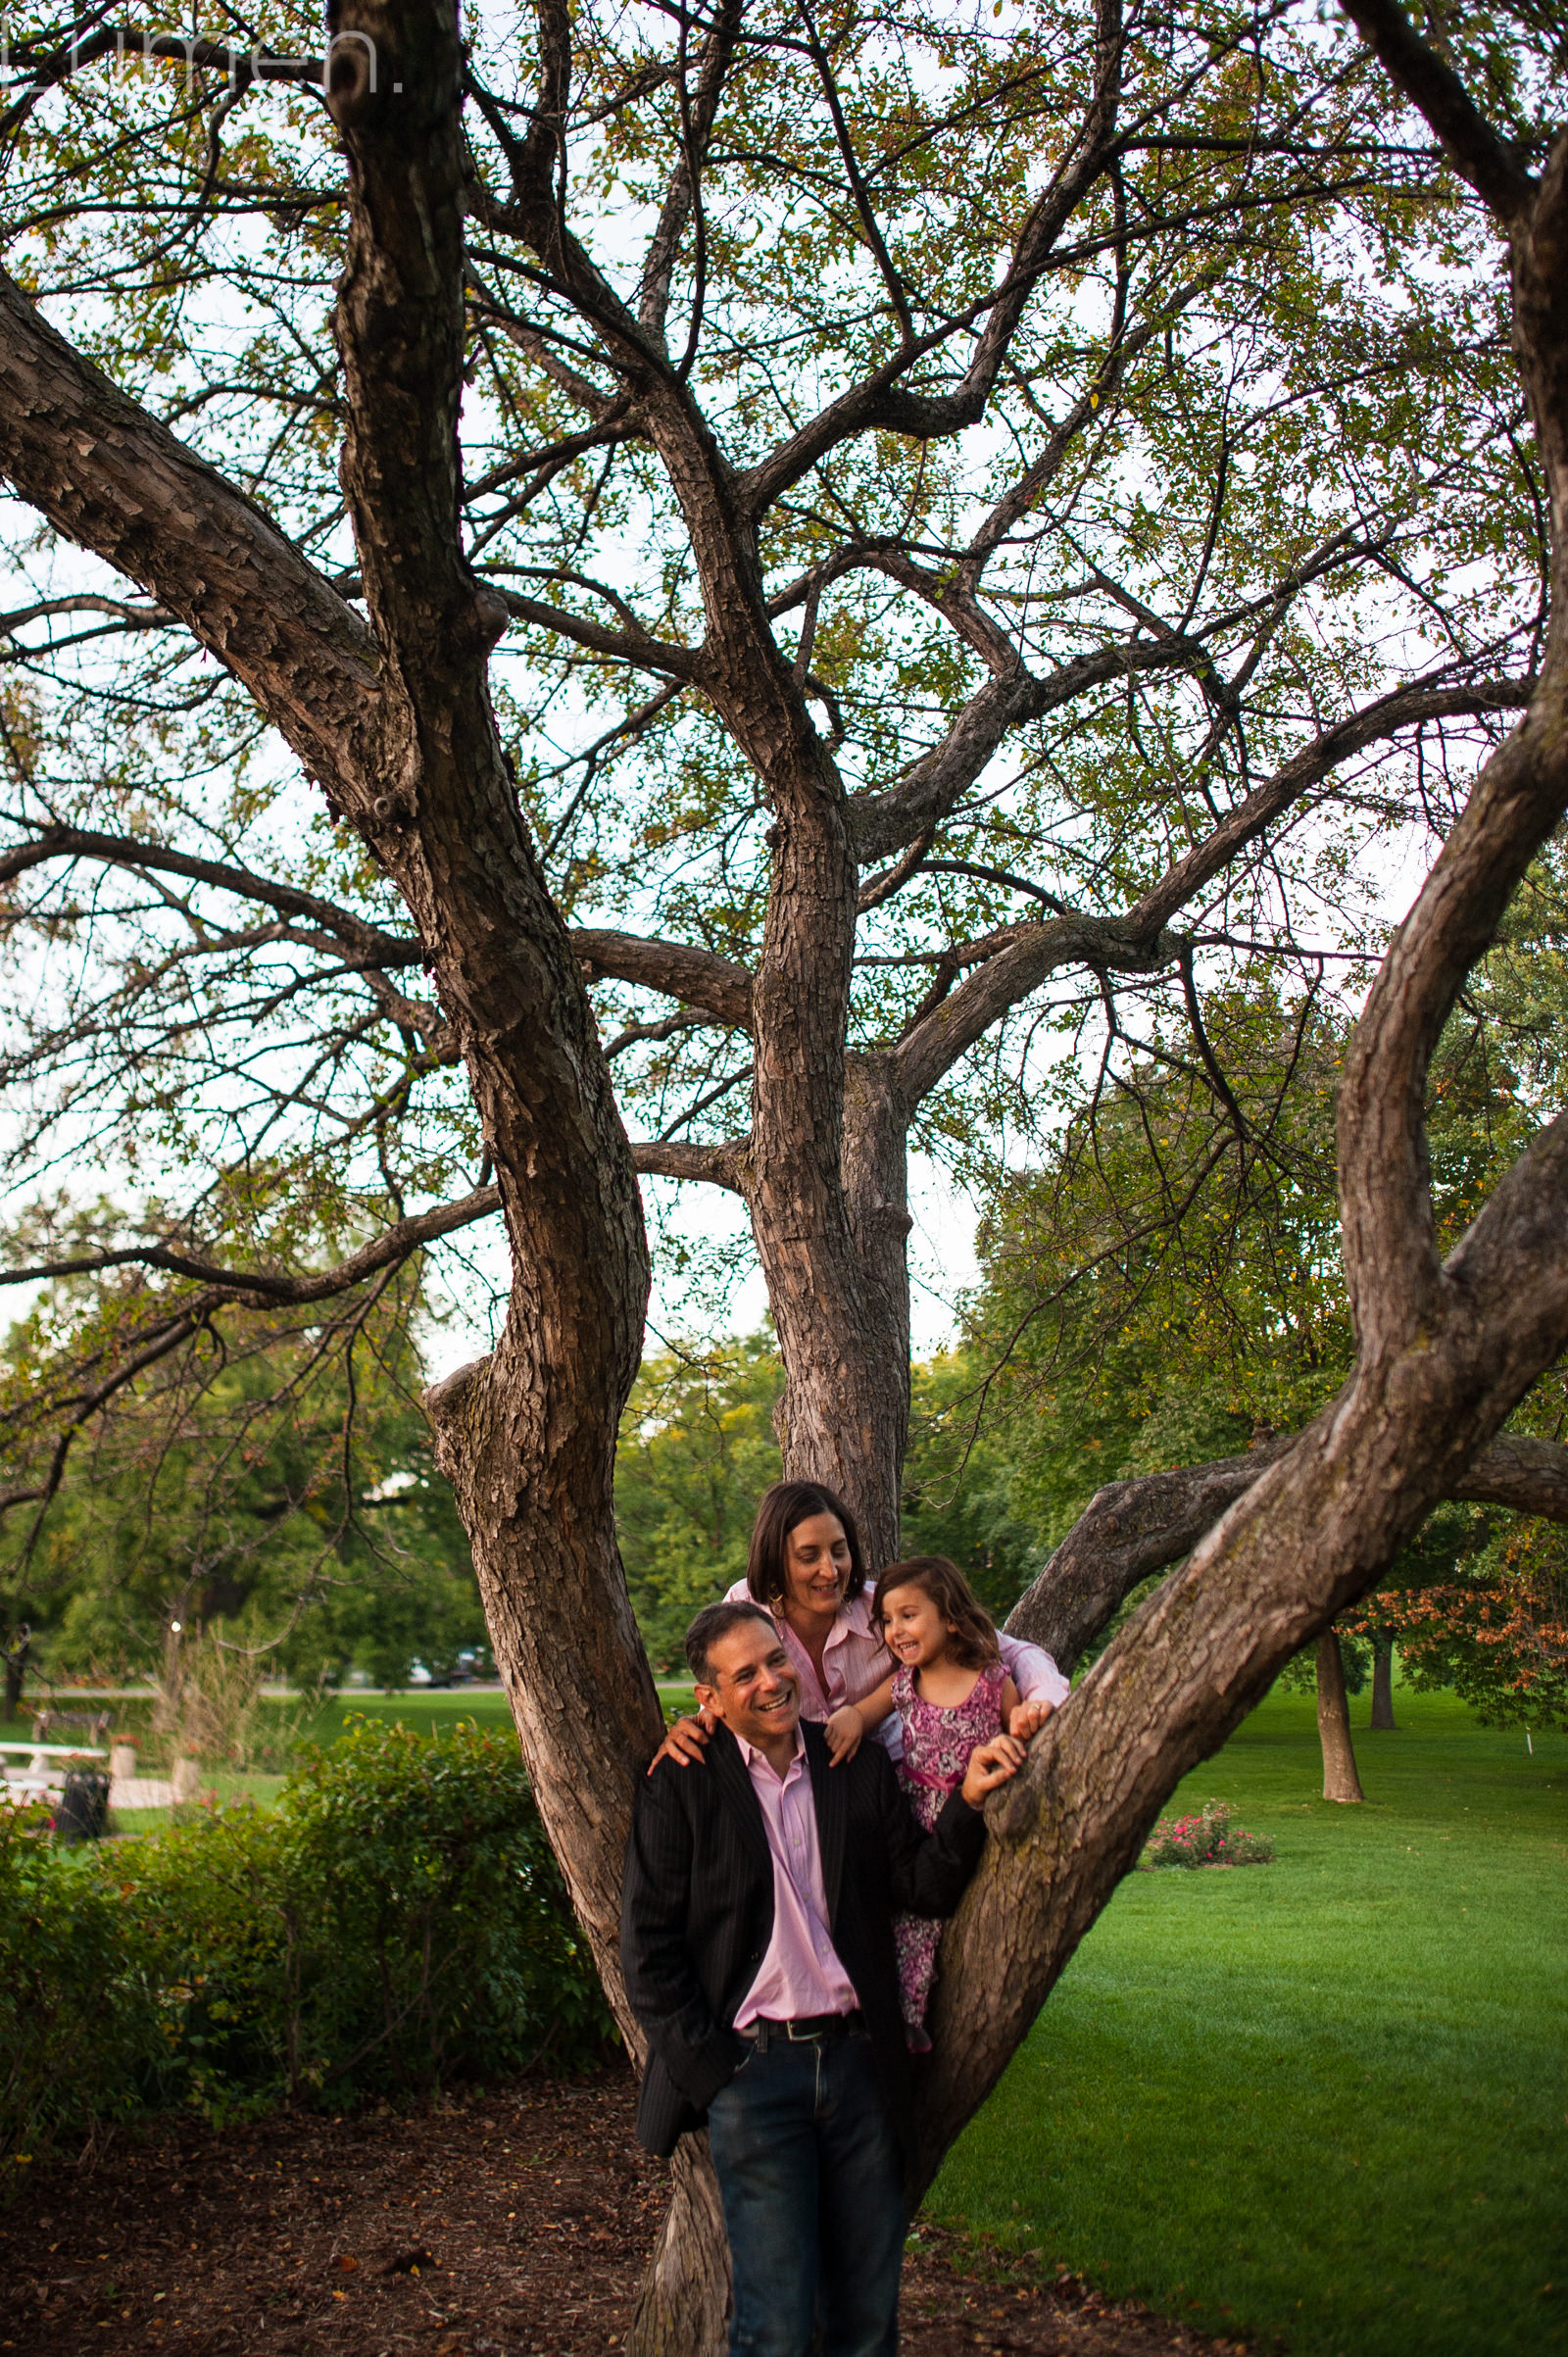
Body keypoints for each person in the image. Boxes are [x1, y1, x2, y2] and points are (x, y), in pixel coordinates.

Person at [621, 1598, 1025, 2357]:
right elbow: (646, 1950)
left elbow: (923, 1884)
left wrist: (969, 1798)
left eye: (777, 1660)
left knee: (866, 2324)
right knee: (774, 2326)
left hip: (860, 2069)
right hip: (754, 2078)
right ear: (707, 1698)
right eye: (745, 1675)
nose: (772, 1681)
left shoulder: (853, 1763)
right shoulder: (682, 1782)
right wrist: (717, 2075)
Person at [653, 1478, 1067, 1773]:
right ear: (776, 1558)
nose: (830, 1571)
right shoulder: (746, 1609)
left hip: (898, 1790)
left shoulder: (885, 1610)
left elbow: (1012, 1650)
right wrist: (697, 1722)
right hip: (795, 1799)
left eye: (839, 1551)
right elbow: (725, 1686)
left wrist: (1042, 1698)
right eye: (809, 1556)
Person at [823, 1555, 1024, 2047]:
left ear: (951, 1618)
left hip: (973, 1814)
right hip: (914, 1818)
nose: (895, 1630)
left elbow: (1021, 1740)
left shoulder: (993, 1682)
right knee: (909, 1919)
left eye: (908, 1615)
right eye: (887, 1620)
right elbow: (860, 1716)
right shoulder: (904, 1686)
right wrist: (846, 1720)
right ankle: (903, 2020)